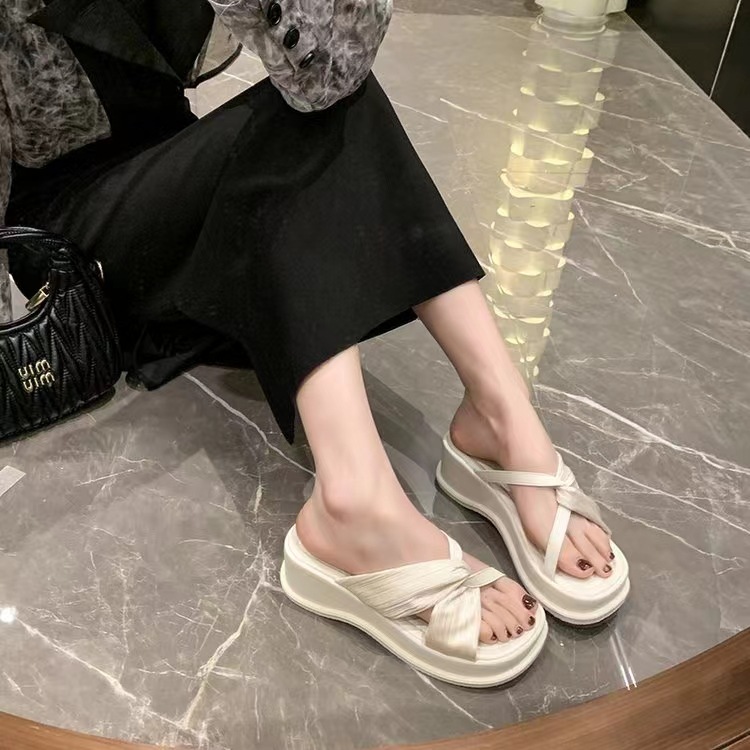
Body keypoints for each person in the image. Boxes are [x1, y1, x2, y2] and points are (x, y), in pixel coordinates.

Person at [1, 0, 629, 686]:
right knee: (289, 142)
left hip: (164, 166)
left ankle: (501, 415)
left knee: (334, 102)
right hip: (65, 244)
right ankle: (356, 504)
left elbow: (331, 70)